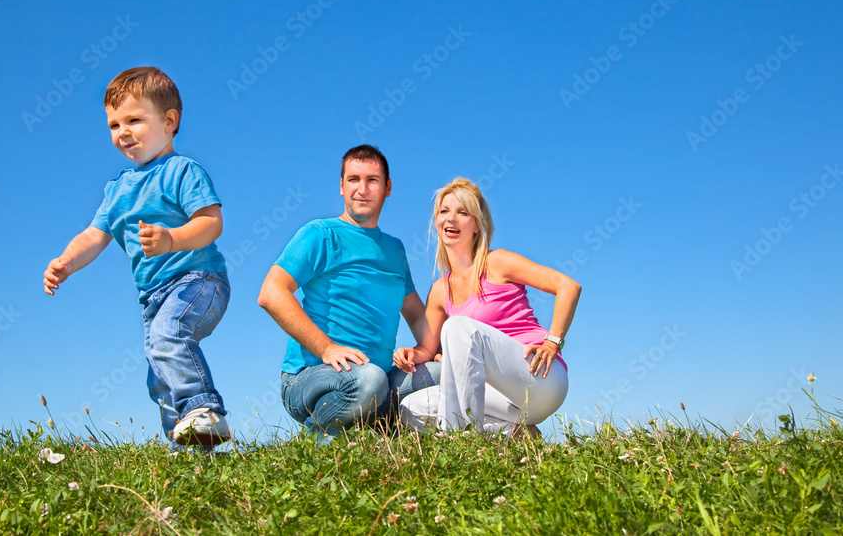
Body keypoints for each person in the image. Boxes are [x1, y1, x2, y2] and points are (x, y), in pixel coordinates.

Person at [43, 66, 232, 446]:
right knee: (159, 374)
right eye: (114, 125)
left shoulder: (182, 171)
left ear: (169, 121)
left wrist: (172, 239)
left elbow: (212, 222)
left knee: (169, 337)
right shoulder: (117, 190)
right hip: (152, 298)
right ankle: (191, 450)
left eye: (134, 120)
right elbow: (93, 236)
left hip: (198, 281)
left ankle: (204, 409)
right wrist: (65, 262)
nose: (122, 132)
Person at [258, 145, 440, 436]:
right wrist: (326, 348)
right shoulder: (321, 234)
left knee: (445, 375)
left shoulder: (394, 250)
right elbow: (271, 292)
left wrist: (433, 351)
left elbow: (417, 316)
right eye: (354, 179)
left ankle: (374, 430)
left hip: (380, 381)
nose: (362, 189)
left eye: (373, 180)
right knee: (369, 380)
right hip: (312, 379)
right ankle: (319, 437)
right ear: (342, 187)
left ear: (388, 187)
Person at [395, 178, 581, 437]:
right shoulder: (440, 290)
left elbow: (568, 286)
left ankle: (462, 444)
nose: (451, 219)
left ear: (477, 225)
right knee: (411, 408)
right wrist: (410, 354)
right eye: (444, 211)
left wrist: (552, 342)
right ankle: (516, 435)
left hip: (540, 379)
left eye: (462, 212)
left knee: (458, 327)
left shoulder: (498, 262)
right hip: (499, 396)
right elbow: (428, 348)